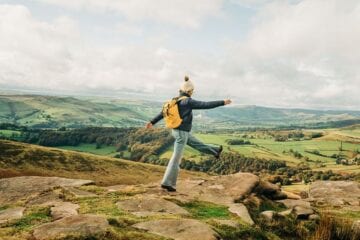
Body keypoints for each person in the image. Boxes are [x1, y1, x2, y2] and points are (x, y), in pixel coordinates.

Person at [145, 76, 232, 192]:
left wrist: (152, 122)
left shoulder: (174, 100)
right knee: (176, 159)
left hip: (176, 131)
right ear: (189, 91)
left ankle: (215, 151)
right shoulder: (187, 101)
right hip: (181, 133)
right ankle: (167, 183)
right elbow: (205, 104)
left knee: (196, 143)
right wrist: (223, 102)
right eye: (192, 91)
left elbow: (162, 113)